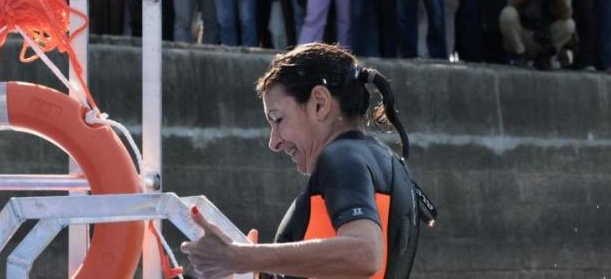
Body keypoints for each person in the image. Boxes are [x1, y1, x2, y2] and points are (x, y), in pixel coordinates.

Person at [181, 42, 436, 279]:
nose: (274, 142)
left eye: (278, 119)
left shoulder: (342, 157)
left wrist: (240, 256)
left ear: (319, 103)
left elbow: (366, 254)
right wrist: (252, 268)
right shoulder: (377, 158)